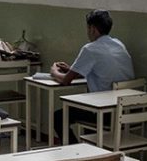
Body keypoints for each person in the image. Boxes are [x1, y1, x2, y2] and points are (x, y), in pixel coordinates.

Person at [51, 9, 134, 144]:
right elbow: (102, 69)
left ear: (93, 29)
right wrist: (72, 69)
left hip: (106, 113)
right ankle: (88, 150)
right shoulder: (119, 44)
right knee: (87, 108)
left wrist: (54, 71)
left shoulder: (90, 48)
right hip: (127, 110)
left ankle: (75, 151)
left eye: (88, 28)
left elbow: (66, 80)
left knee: (59, 116)